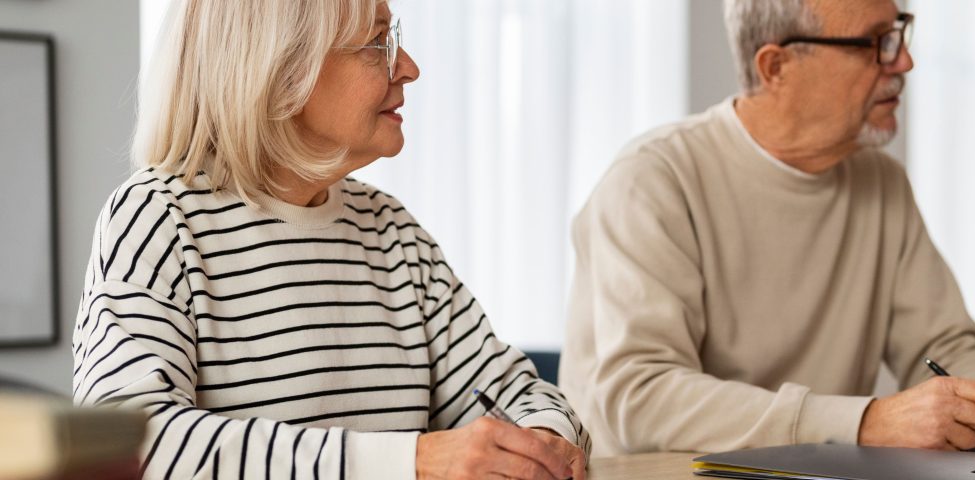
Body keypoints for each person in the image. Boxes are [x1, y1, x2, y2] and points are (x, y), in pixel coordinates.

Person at [71, 1, 589, 478]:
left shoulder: (393, 232)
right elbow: (125, 449)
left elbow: (516, 394)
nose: (408, 66)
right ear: (280, 67)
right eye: (377, 43)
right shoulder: (156, 218)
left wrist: (542, 440)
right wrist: (411, 463)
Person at [560, 0, 975, 458]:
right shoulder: (652, 181)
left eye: (899, 33)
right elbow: (641, 397)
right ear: (776, 67)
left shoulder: (881, 182)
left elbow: (938, 344)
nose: (904, 60)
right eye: (874, 42)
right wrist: (865, 422)